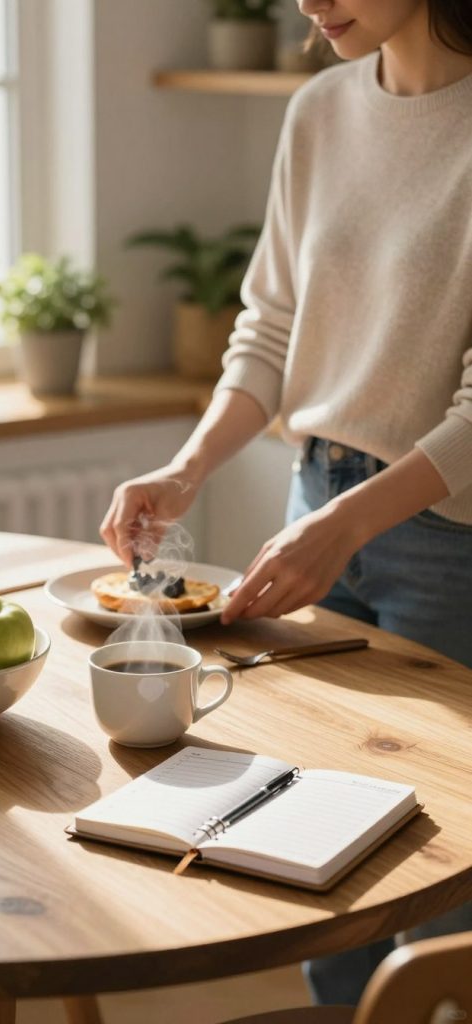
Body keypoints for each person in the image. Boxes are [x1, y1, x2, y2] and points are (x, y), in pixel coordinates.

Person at [101, 0, 472, 1005]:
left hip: (449, 547)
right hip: (315, 497)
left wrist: (347, 520)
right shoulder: (319, 112)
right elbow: (267, 330)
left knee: (439, 905)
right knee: (319, 868)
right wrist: (187, 467)